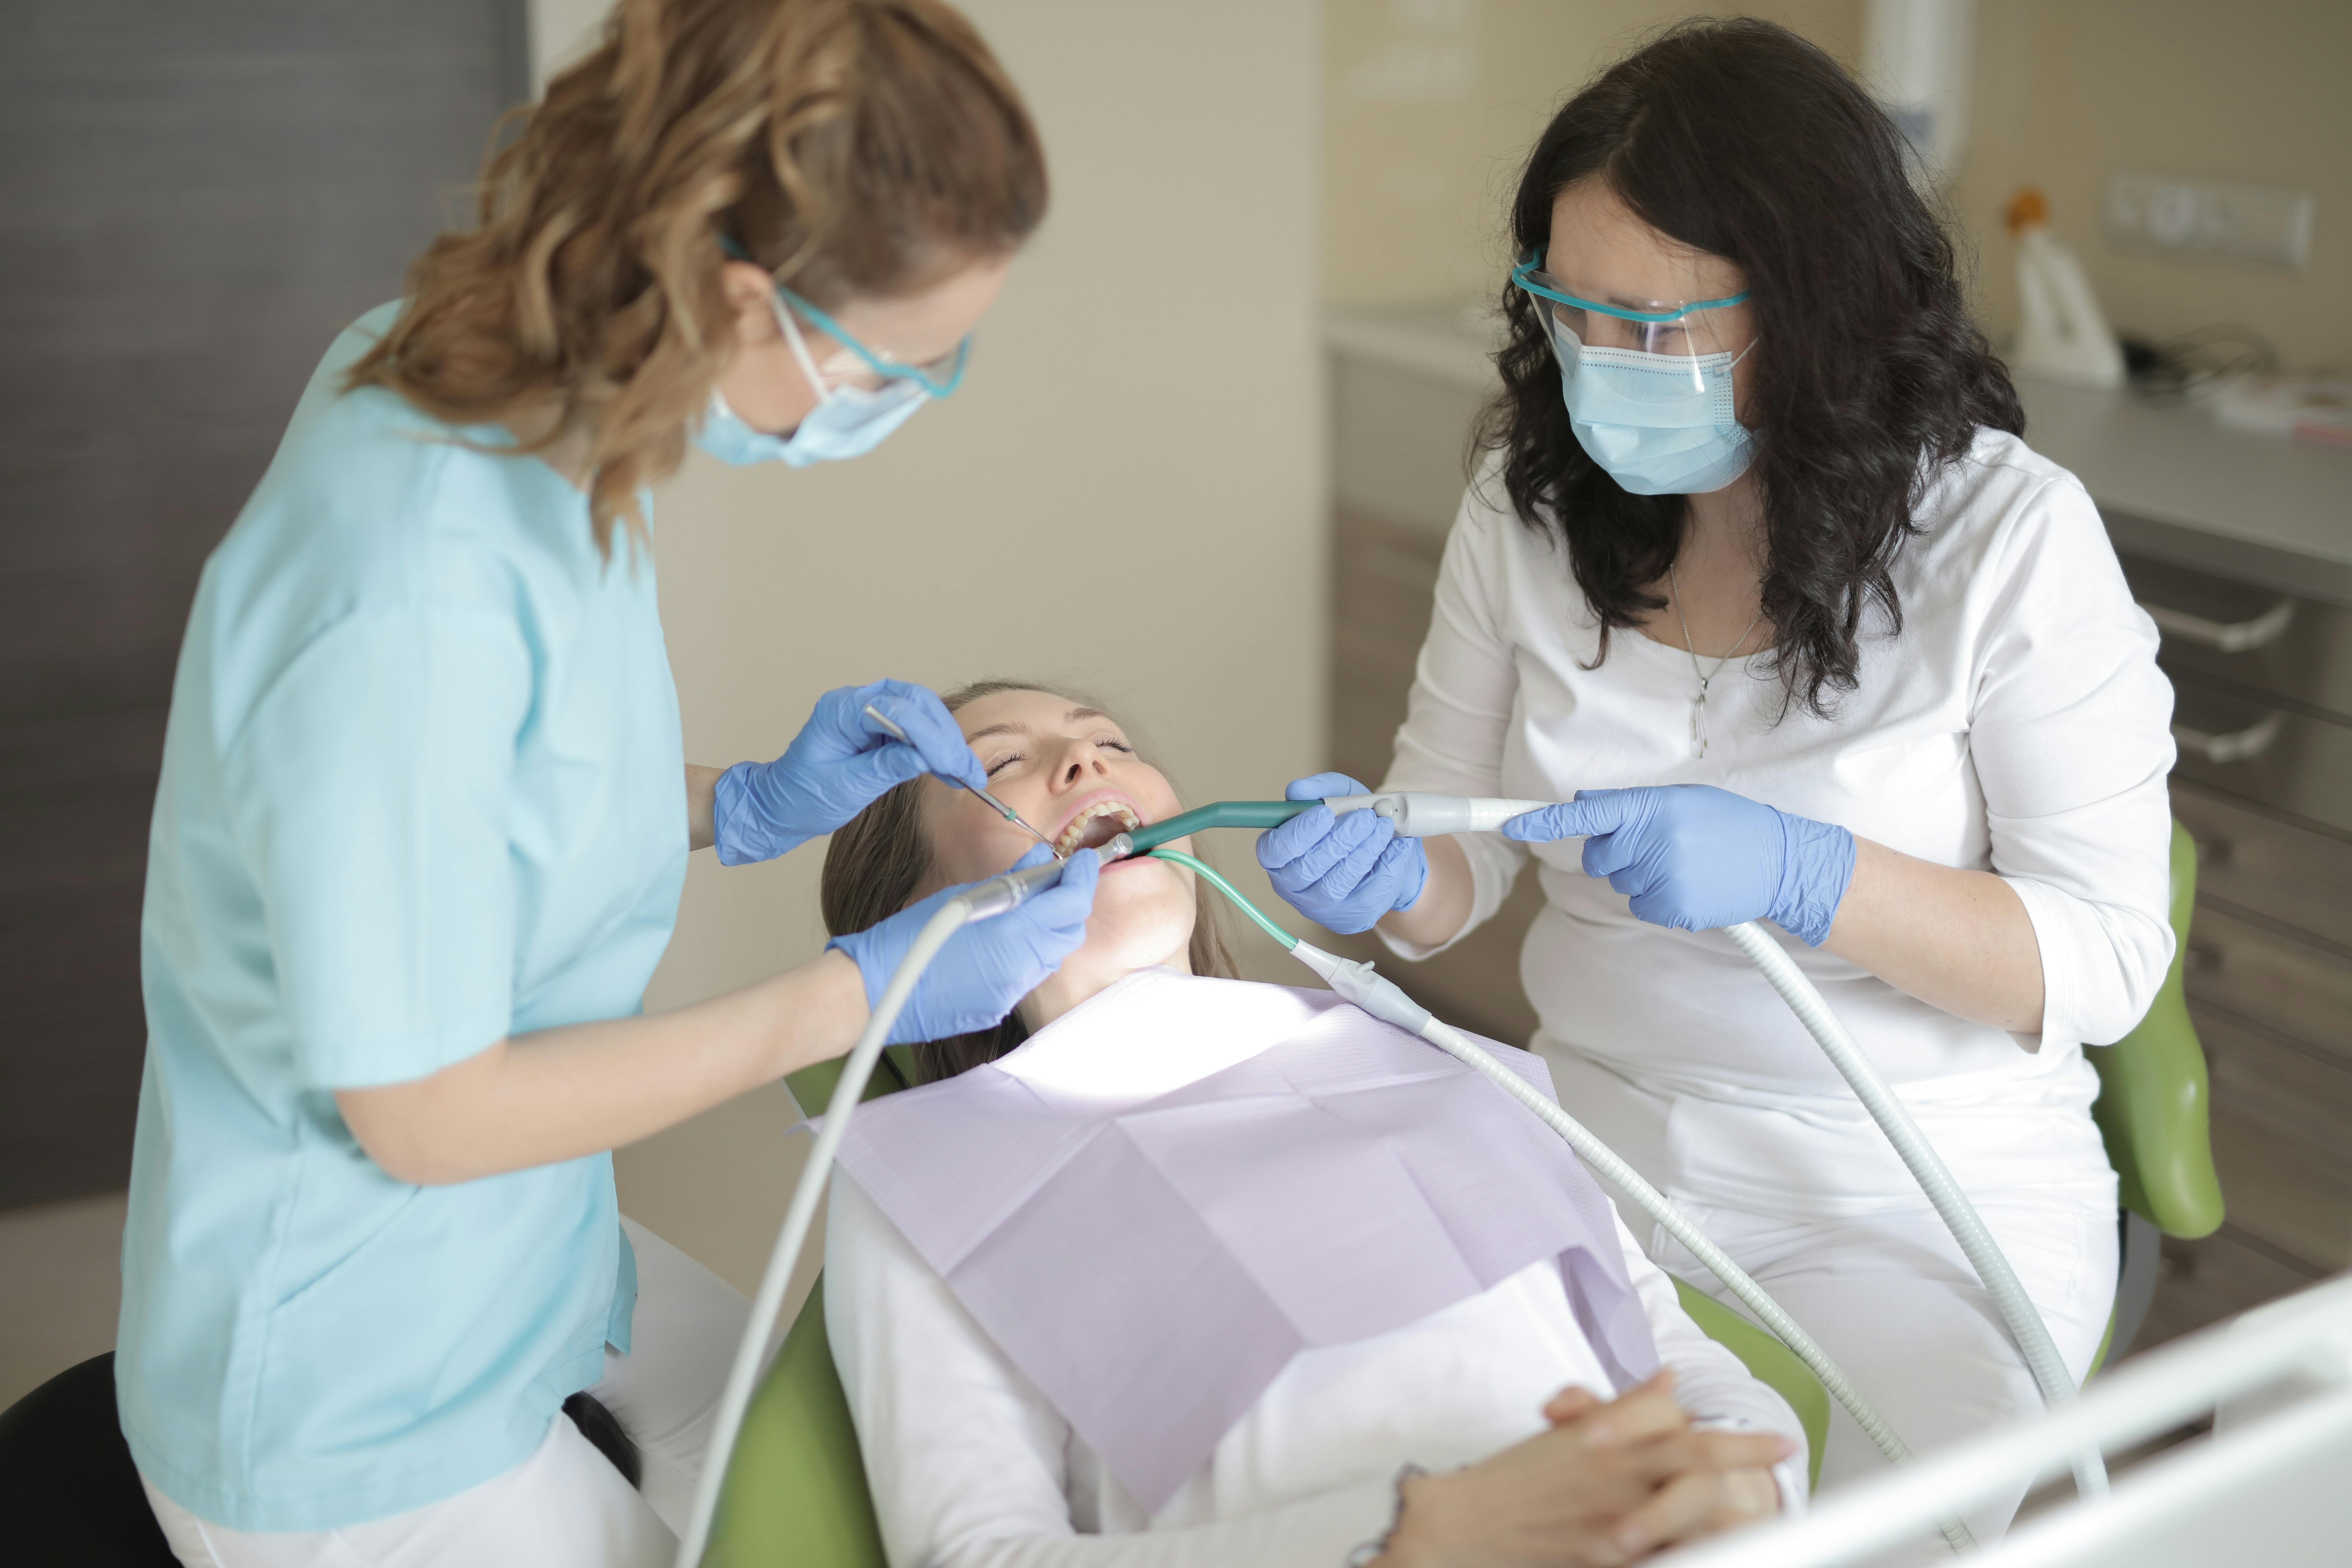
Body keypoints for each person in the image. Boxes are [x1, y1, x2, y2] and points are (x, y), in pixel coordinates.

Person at [116, 4, 1096, 1564]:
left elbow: (478, 806)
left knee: (825, 1446)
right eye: (898, 364)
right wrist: (853, 992)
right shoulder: (408, 577)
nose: (913, 396)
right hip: (357, 1375)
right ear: (737, 297)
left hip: (525, 1245)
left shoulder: (548, 411)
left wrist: (733, 801)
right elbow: (423, 1112)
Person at [1257, 18, 2172, 1544]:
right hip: (1597, 1161)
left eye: (1656, 327)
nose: (1604, 368)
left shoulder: (2008, 538)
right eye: (1570, 312)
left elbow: (2112, 957)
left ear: (1815, 309)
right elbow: (1452, 857)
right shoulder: (1529, 505)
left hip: (1916, 1199)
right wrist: (1384, 872)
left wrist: (1810, 875)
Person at [817, 681, 1806, 1568]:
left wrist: (1753, 1483)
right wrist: (1404, 1539)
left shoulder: (1419, 1052)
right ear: (913, 912)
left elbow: (1674, 1352)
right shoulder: (929, 1177)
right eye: (999, 763)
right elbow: (973, 1552)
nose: (1086, 763)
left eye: (1110, 741)